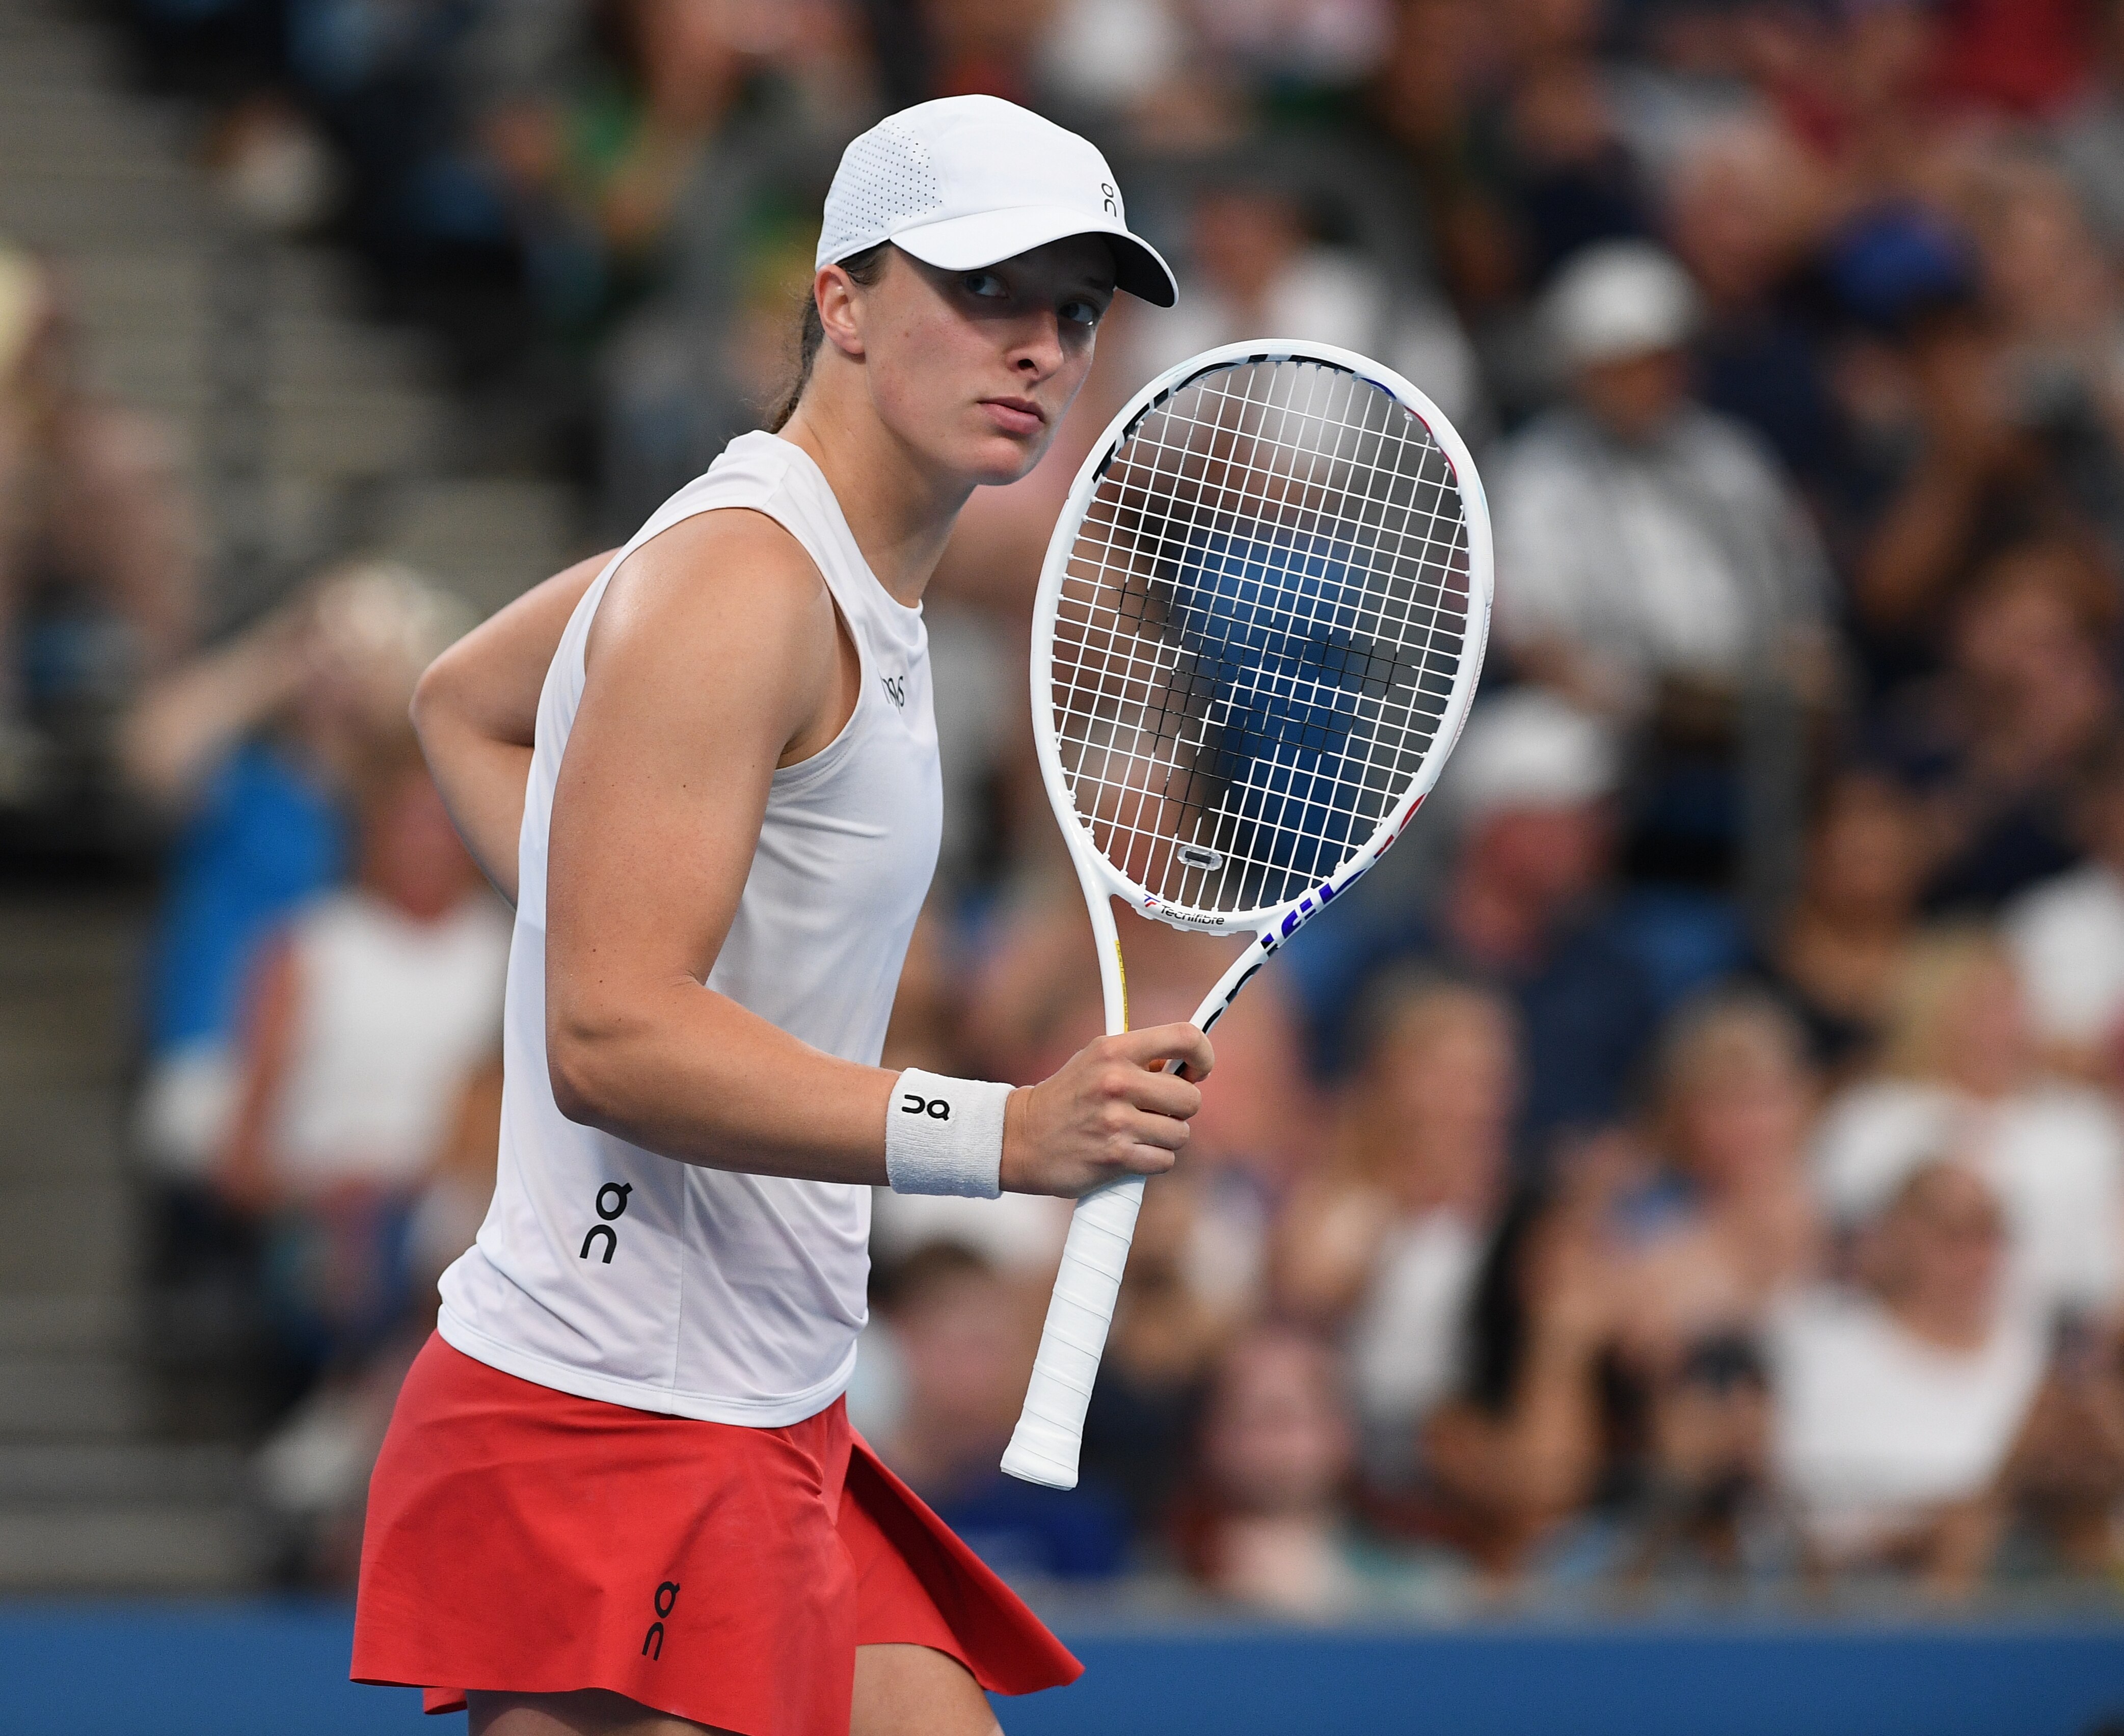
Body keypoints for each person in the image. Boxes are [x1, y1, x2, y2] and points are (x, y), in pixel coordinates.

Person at [352, 96, 1211, 1736]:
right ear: (840, 299)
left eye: (1073, 311)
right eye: (986, 291)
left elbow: (462, 701)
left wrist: (626, 913)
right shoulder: (740, 586)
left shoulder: (796, 564)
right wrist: (1006, 1132)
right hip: (612, 1410)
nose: (1038, 346)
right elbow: (606, 1034)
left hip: (765, 1391)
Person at [1812, 927, 2124, 1328]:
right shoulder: (1870, 1121)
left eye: (2009, 1005)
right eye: (1979, 1006)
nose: (1998, 1026)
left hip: (2061, 1344)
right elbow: (1844, 1256)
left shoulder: (2084, 1127)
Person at [1275, 974, 1516, 1483]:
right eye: (1442, 1075)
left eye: (1483, 1079)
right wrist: (1396, 1199)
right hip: (1348, 1442)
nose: (1464, 1101)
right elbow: (1306, 1296)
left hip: (1467, 1446)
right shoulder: (1341, 1191)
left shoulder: (1518, 1209)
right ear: (1386, 1078)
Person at [1769, 1160, 2047, 1593]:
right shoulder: (1811, 1340)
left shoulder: (2040, 1353)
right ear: (1891, 1237)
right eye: (1950, 1234)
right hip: (1848, 1602)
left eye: (1989, 1234)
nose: (1973, 1256)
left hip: (2031, 1596)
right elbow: (1784, 1505)